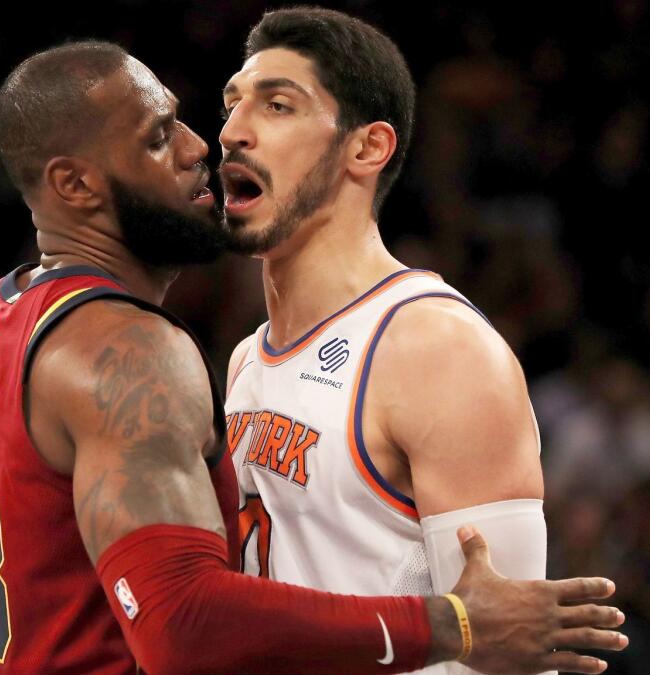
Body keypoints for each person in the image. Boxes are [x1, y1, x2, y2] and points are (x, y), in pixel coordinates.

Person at [0, 41, 626, 674]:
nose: (205, 145)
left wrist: (41, 595)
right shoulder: (130, 351)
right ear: (76, 185)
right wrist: (457, 622)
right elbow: (181, 624)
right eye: (161, 136)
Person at [217, 8, 609, 674]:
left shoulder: (437, 349)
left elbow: (512, 653)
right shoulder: (246, 359)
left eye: (277, 106)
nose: (231, 132)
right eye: (231, 104)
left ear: (366, 149)